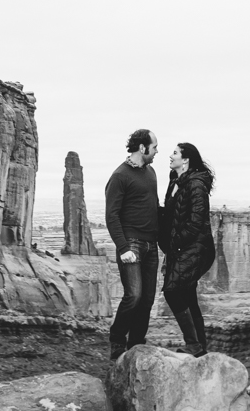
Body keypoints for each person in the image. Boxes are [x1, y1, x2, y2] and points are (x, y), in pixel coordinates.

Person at [104, 127, 161, 359]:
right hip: (132, 244)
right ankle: (117, 341)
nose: (157, 151)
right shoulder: (120, 176)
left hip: (151, 245)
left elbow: (153, 207)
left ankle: (136, 345)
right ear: (142, 147)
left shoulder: (151, 172)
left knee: (147, 299)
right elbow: (111, 215)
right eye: (154, 147)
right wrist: (123, 247)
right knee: (133, 295)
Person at [158, 141, 217, 356]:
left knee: (173, 291)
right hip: (180, 249)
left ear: (186, 159)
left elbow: (196, 221)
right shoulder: (175, 181)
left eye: (174, 153)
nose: (170, 156)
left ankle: (193, 343)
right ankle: (200, 347)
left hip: (195, 248)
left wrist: (175, 242)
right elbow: (171, 214)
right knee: (188, 295)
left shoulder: (196, 184)